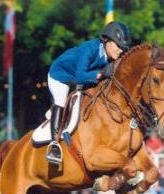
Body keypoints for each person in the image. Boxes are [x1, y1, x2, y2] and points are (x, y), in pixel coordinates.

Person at [46, 21, 131, 164]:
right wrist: (100, 74)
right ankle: (53, 144)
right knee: (61, 100)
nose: (121, 51)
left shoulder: (110, 55)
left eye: (123, 48)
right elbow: (80, 76)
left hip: (77, 79)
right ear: (107, 41)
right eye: (118, 46)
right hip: (60, 76)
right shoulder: (89, 49)